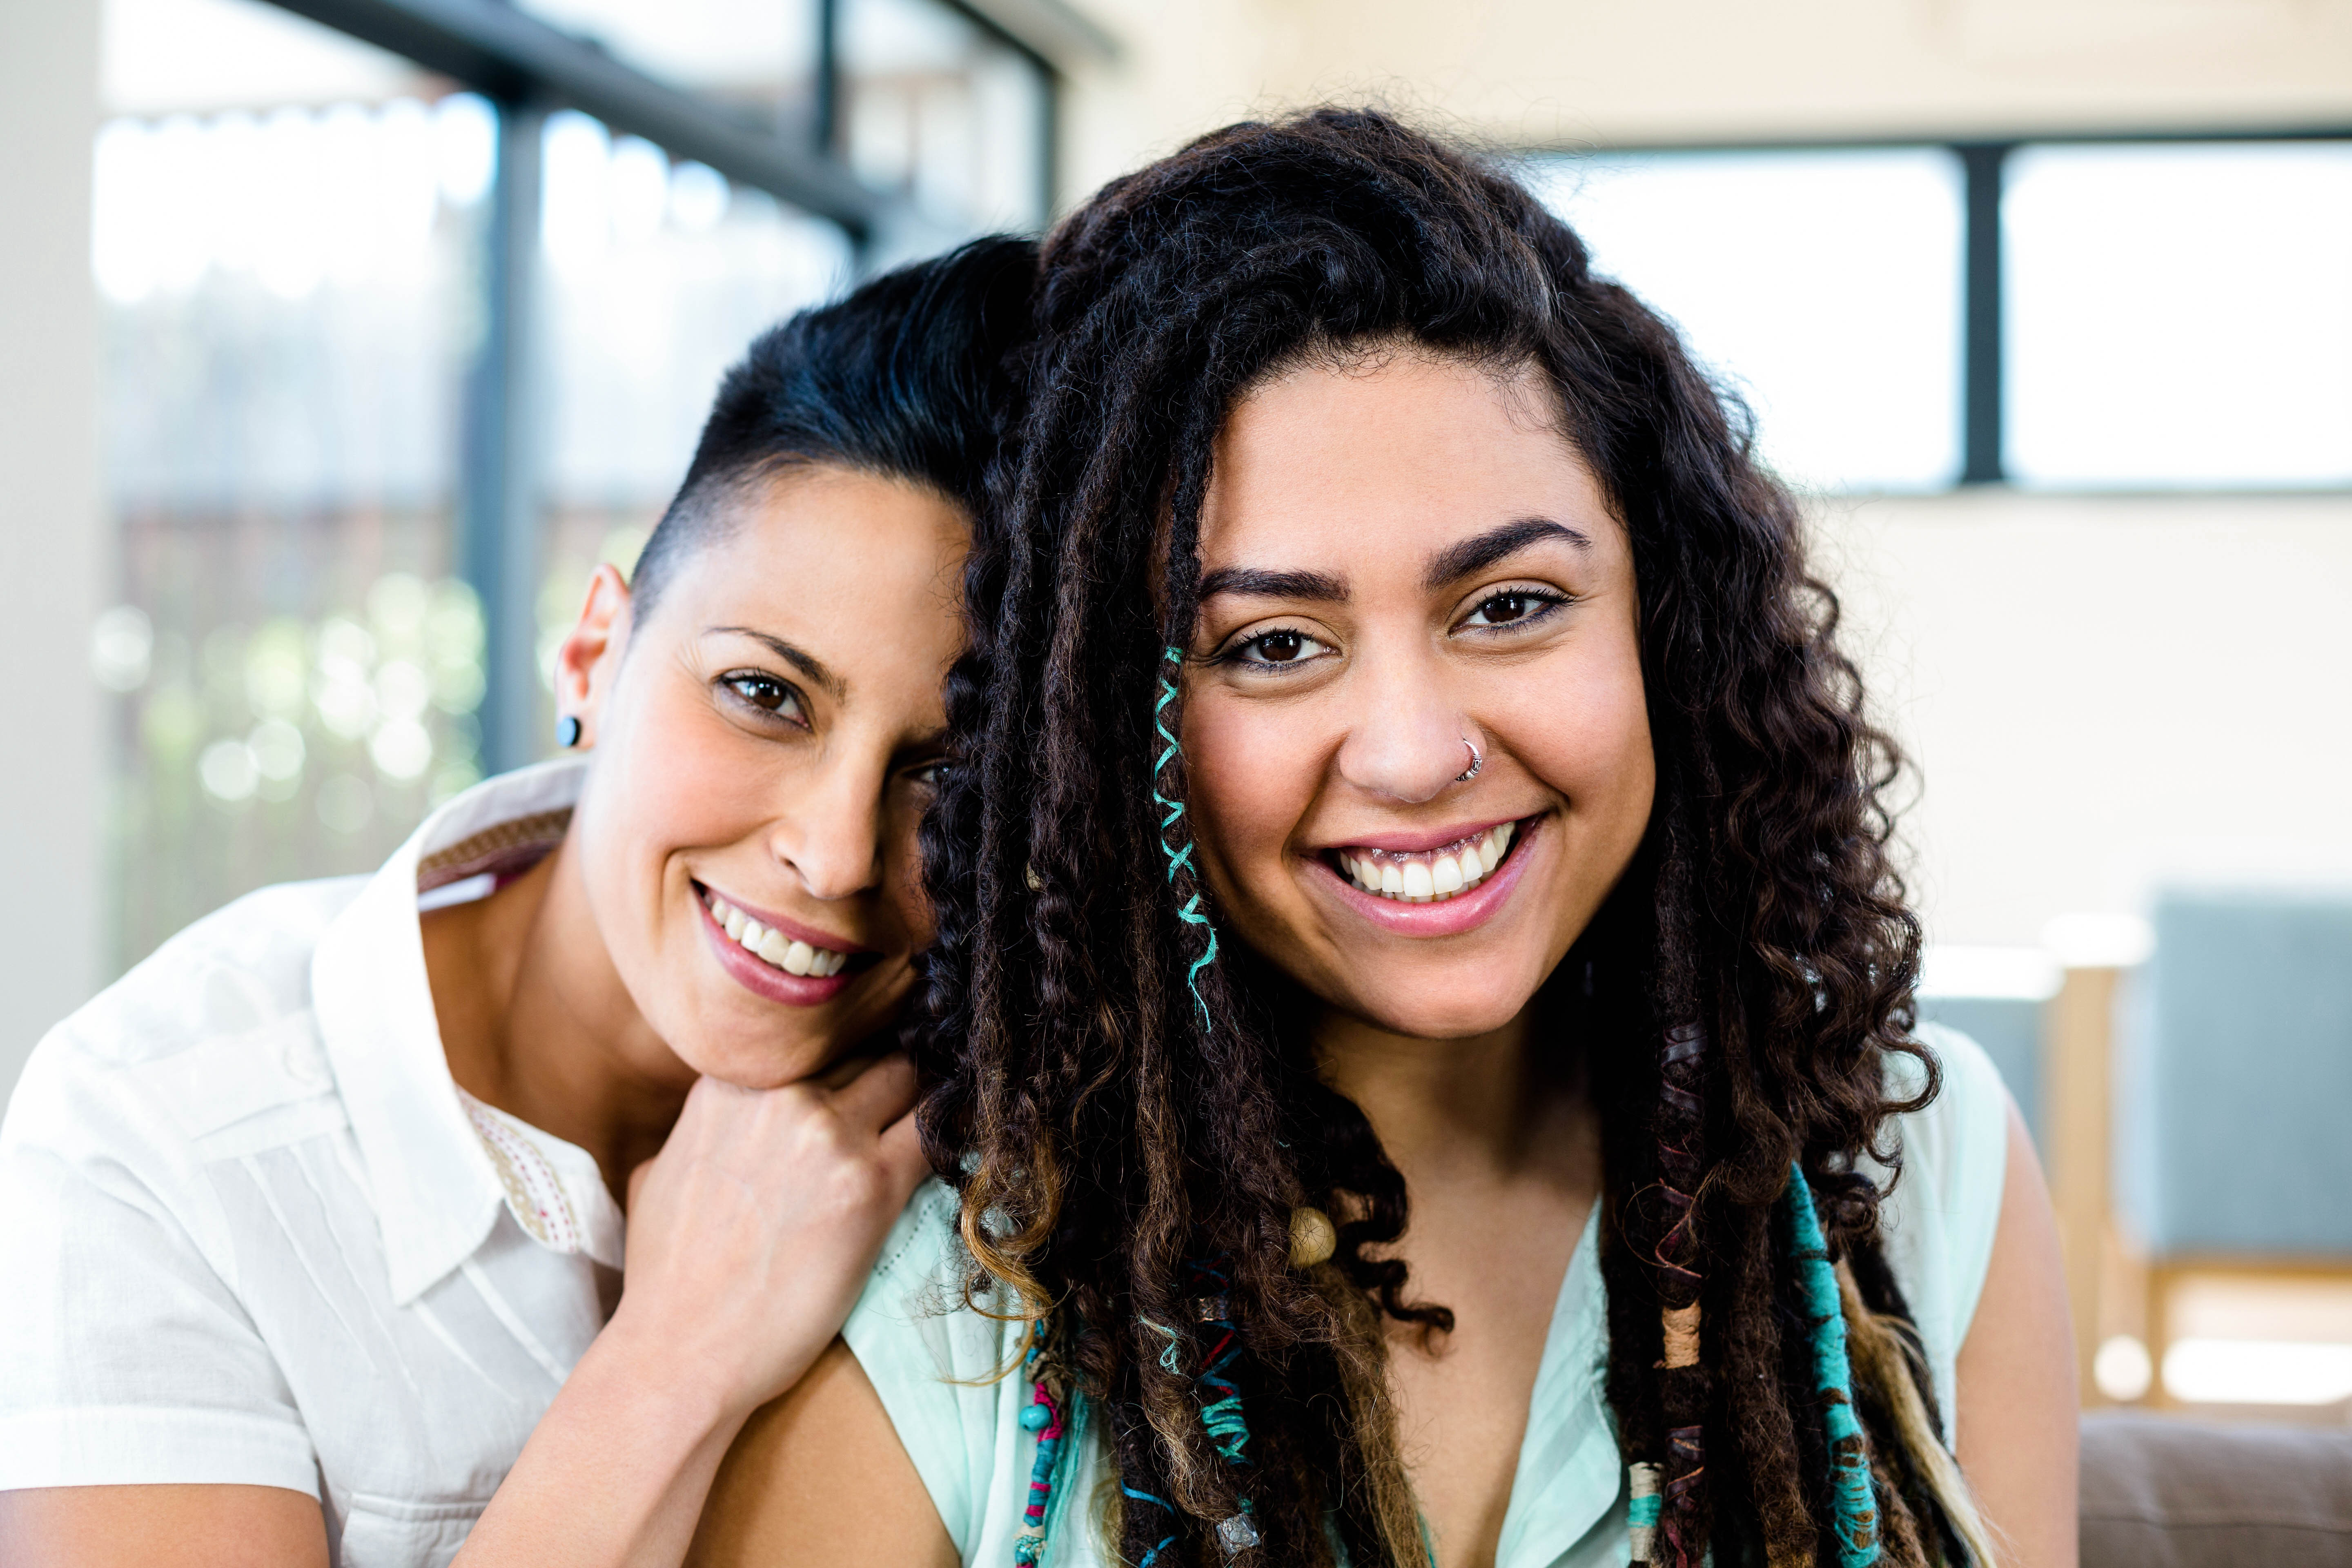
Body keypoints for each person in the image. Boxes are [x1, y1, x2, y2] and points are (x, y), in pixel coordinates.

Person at [694, 113, 2078, 1568]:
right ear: (1112, 722)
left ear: (1661, 633)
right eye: (1276, 643)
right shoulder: (939, 1285)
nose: (1419, 754)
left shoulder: (1923, 1168)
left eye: (1511, 607)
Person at [0, 236, 1035, 1568]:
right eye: (764, 696)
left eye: (944, 776)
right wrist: (678, 1354)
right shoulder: (156, 1139)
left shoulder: (1023, 1151)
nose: (836, 853)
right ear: (596, 652)